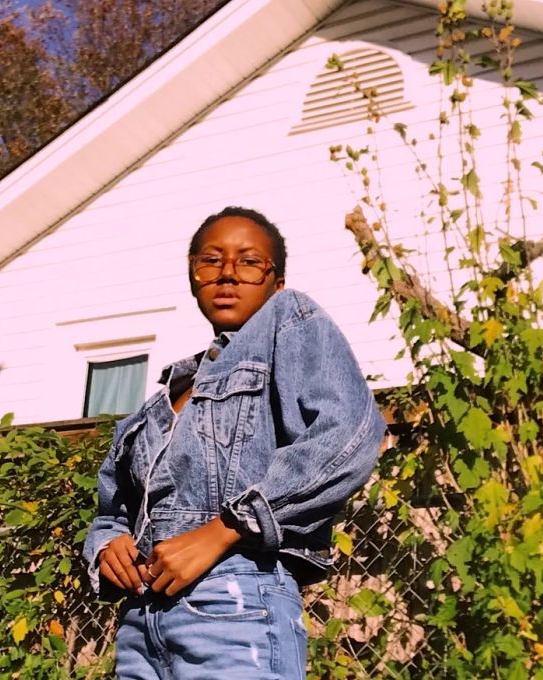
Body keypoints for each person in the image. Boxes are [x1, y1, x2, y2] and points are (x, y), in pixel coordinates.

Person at [84, 206, 386, 680]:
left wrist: (224, 530)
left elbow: (349, 435)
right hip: (139, 625)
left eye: (249, 262)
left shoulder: (291, 318)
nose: (227, 273)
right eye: (211, 260)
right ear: (193, 275)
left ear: (276, 282)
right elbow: (112, 509)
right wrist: (108, 546)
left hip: (235, 603)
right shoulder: (158, 402)